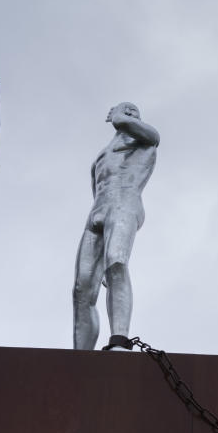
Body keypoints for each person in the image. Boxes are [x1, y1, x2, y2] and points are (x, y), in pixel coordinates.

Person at [73, 102, 159, 351]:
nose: (131, 114)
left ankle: (119, 339)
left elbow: (128, 124)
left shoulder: (147, 140)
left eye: (135, 112)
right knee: (82, 288)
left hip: (125, 203)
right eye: (127, 109)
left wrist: (119, 115)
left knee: (117, 263)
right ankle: (80, 354)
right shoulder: (100, 157)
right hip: (98, 212)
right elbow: (95, 190)